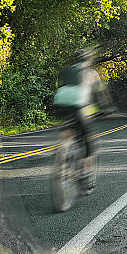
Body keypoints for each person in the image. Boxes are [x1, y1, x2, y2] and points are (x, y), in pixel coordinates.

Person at [52, 48, 112, 191]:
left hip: (60, 105)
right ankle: (87, 178)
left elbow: (60, 87)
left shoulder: (64, 71)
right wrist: (106, 108)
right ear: (88, 61)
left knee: (68, 126)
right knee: (89, 143)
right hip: (79, 106)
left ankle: (62, 150)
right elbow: (101, 94)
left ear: (75, 60)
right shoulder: (91, 73)